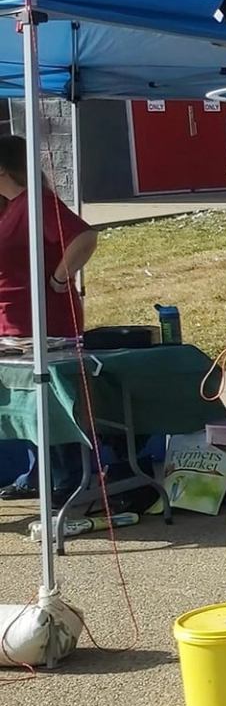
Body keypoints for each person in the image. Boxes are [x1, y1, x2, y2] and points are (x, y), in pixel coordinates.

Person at [0, 134, 98, 501]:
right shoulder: (10, 207)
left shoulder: (38, 202)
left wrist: (59, 279)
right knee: (26, 404)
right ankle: (38, 472)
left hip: (43, 325)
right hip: (12, 325)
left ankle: (69, 477)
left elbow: (84, 237)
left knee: (50, 401)